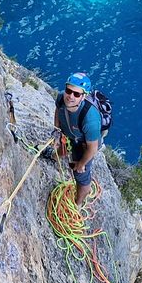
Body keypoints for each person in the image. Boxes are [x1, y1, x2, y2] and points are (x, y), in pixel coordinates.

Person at [54, 71, 102, 209]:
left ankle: (78, 204)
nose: (70, 96)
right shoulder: (61, 97)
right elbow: (58, 111)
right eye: (68, 91)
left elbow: (92, 148)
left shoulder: (90, 119)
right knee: (61, 149)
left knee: (80, 175)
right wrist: (57, 130)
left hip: (84, 145)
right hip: (69, 134)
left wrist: (81, 164)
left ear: (84, 96)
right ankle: (55, 156)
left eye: (76, 94)